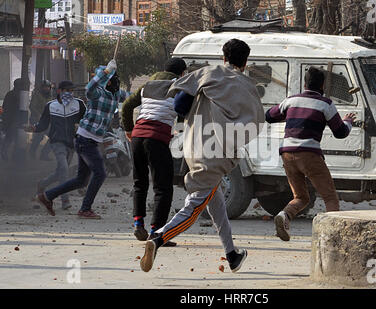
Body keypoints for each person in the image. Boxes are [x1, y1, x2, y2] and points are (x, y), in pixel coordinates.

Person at [139, 39, 265, 273]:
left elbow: (179, 104)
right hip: (217, 154)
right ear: (245, 62)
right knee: (194, 207)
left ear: (223, 58)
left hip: (193, 146)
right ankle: (158, 239)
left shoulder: (206, 75)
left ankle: (232, 255)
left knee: (216, 204)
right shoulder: (249, 88)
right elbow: (255, 122)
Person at [265, 66, 356, 242]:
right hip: (309, 155)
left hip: (287, 155)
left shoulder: (291, 101)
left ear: (305, 84)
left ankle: (285, 215)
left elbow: (269, 116)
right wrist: (348, 121)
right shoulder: (325, 104)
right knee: (330, 198)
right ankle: (333, 238)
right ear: (322, 85)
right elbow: (340, 132)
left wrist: (289, 115)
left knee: (301, 197)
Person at [36, 60, 121, 219]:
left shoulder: (115, 94)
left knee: (81, 180)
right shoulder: (98, 94)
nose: (116, 81)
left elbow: (129, 97)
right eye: (113, 77)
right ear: (106, 80)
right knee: (100, 173)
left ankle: (47, 196)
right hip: (85, 139)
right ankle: (85, 208)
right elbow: (90, 88)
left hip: (89, 140)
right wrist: (105, 72)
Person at [121, 58, 187, 245]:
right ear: (182, 73)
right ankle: (156, 233)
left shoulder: (146, 86)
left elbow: (126, 106)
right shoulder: (179, 87)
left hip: (138, 137)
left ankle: (138, 224)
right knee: (163, 188)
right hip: (156, 140)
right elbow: (185, 112)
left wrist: (128, 129)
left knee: (139, 183)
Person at [25, 81, 86, 210]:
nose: (69, 93)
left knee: (61, 172)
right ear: (59, 91)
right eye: (67, 91)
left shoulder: (79, 104)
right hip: (57, 141)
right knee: (63, 168)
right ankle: (65, 200)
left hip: (72, 142)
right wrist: (33, 128)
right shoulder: (50, 106)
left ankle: (42, 184)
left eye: (71, 91)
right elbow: (43, 125)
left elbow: (86, 119)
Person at [28, 80, 54, 160]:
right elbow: (32, 106)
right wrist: (38, 114)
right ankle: (32, 153)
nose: (46, 88)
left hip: (47, 120)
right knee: (38, 137)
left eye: (48, 87)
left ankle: (44, 154)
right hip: (37, 119)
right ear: (42, 87)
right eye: (44, 87)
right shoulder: (37, 95)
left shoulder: (50, 96)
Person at [1, 78, 23, 161]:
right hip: (11, 119)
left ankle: (12, 154)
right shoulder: (12, 94)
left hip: (15, 119)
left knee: (15, 138)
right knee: (10, 137)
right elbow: (6, 108)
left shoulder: (17, 94)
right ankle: (4, 152)